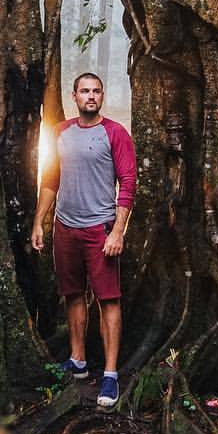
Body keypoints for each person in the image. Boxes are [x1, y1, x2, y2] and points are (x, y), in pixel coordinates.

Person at [31, 71, 136, 409]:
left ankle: (109, 374)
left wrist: (118, 231)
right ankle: (77, 360)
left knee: (108, 300)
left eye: (96, 91)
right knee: (72, 294)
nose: (91, 96)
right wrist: (39, 223)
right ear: (74, 96)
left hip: (100, 229)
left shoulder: (115, 134)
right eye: (84, 91)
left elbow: (128, 185)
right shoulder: (61, 133)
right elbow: (50, 180)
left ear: (102, 96)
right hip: (66, 227)